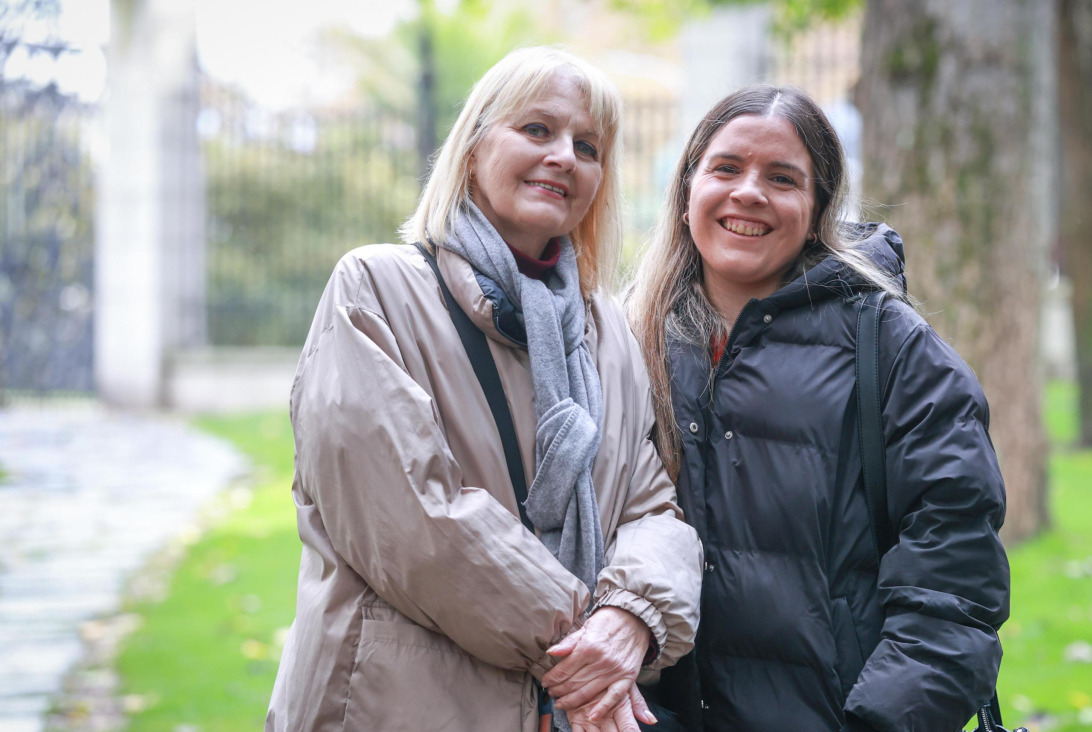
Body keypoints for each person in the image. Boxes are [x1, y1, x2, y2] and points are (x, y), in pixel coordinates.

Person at [265, 47, 702, 732]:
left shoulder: (607, 330)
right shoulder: (376, 289)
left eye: (588, 146)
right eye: (536, 130)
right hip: (396, 704)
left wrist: (633, 615)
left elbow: (650, 508)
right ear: (471, 150)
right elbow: (414, 519)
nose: (564, 156)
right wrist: (588, 649)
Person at [627, 84, 1011, 732]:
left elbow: (954, 587)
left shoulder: (892, 349)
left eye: (782, 178)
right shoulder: (627, 341)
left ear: (818, 206)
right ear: (688, 185)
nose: (749, 191)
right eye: (727, 168)